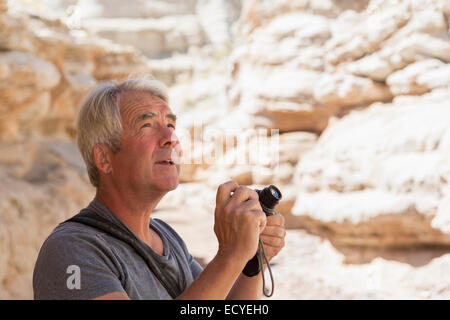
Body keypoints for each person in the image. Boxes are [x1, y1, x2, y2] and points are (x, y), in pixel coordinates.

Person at [32, 76, 286, 300]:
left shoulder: (166, 237)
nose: (171, 138)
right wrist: (230, 255)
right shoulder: (70, 249)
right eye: (147, 125)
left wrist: (250, 262)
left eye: (171, 126)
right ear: (104, 158)